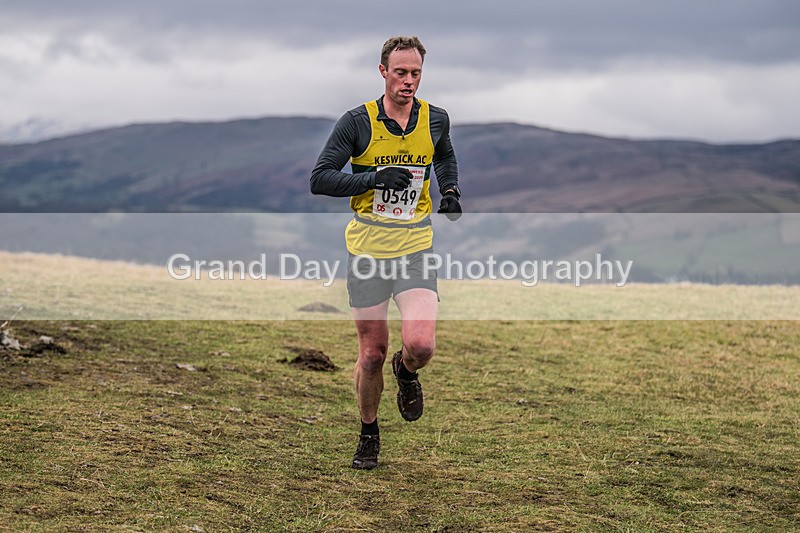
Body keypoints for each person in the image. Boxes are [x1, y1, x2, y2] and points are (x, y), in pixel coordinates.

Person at [310, 35, 461, 469]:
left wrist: (450, 190)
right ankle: (369, 433)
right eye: (400, 72)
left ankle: (406, 371)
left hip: (415, 247)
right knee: (371, 353)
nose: (408, 81)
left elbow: (444, 156)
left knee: (421, 345)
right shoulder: (356, 122)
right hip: (368, 252)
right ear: (383, 72)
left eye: (416, 73)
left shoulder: (435, 119)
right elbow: (320, 178)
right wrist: (374, 177)